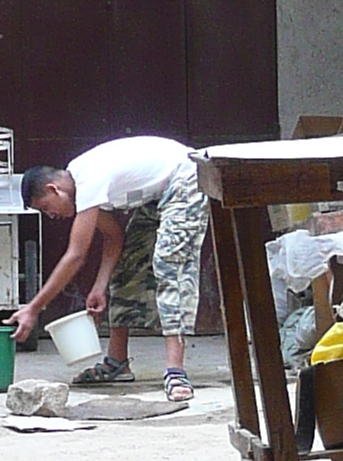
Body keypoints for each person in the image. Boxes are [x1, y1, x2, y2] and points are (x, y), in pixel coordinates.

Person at [11, 134, 207, 407]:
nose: (51, 216)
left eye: (46, 208)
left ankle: (176, 371)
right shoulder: (81, 185)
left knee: (170, 263)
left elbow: (76, 255)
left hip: (185, 177)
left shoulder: (88, 179)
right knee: (127, 264)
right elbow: (114, 237)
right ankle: (117, 363)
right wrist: (100, 286)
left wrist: (34, 308)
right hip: (157, 195)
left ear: (54, 189)